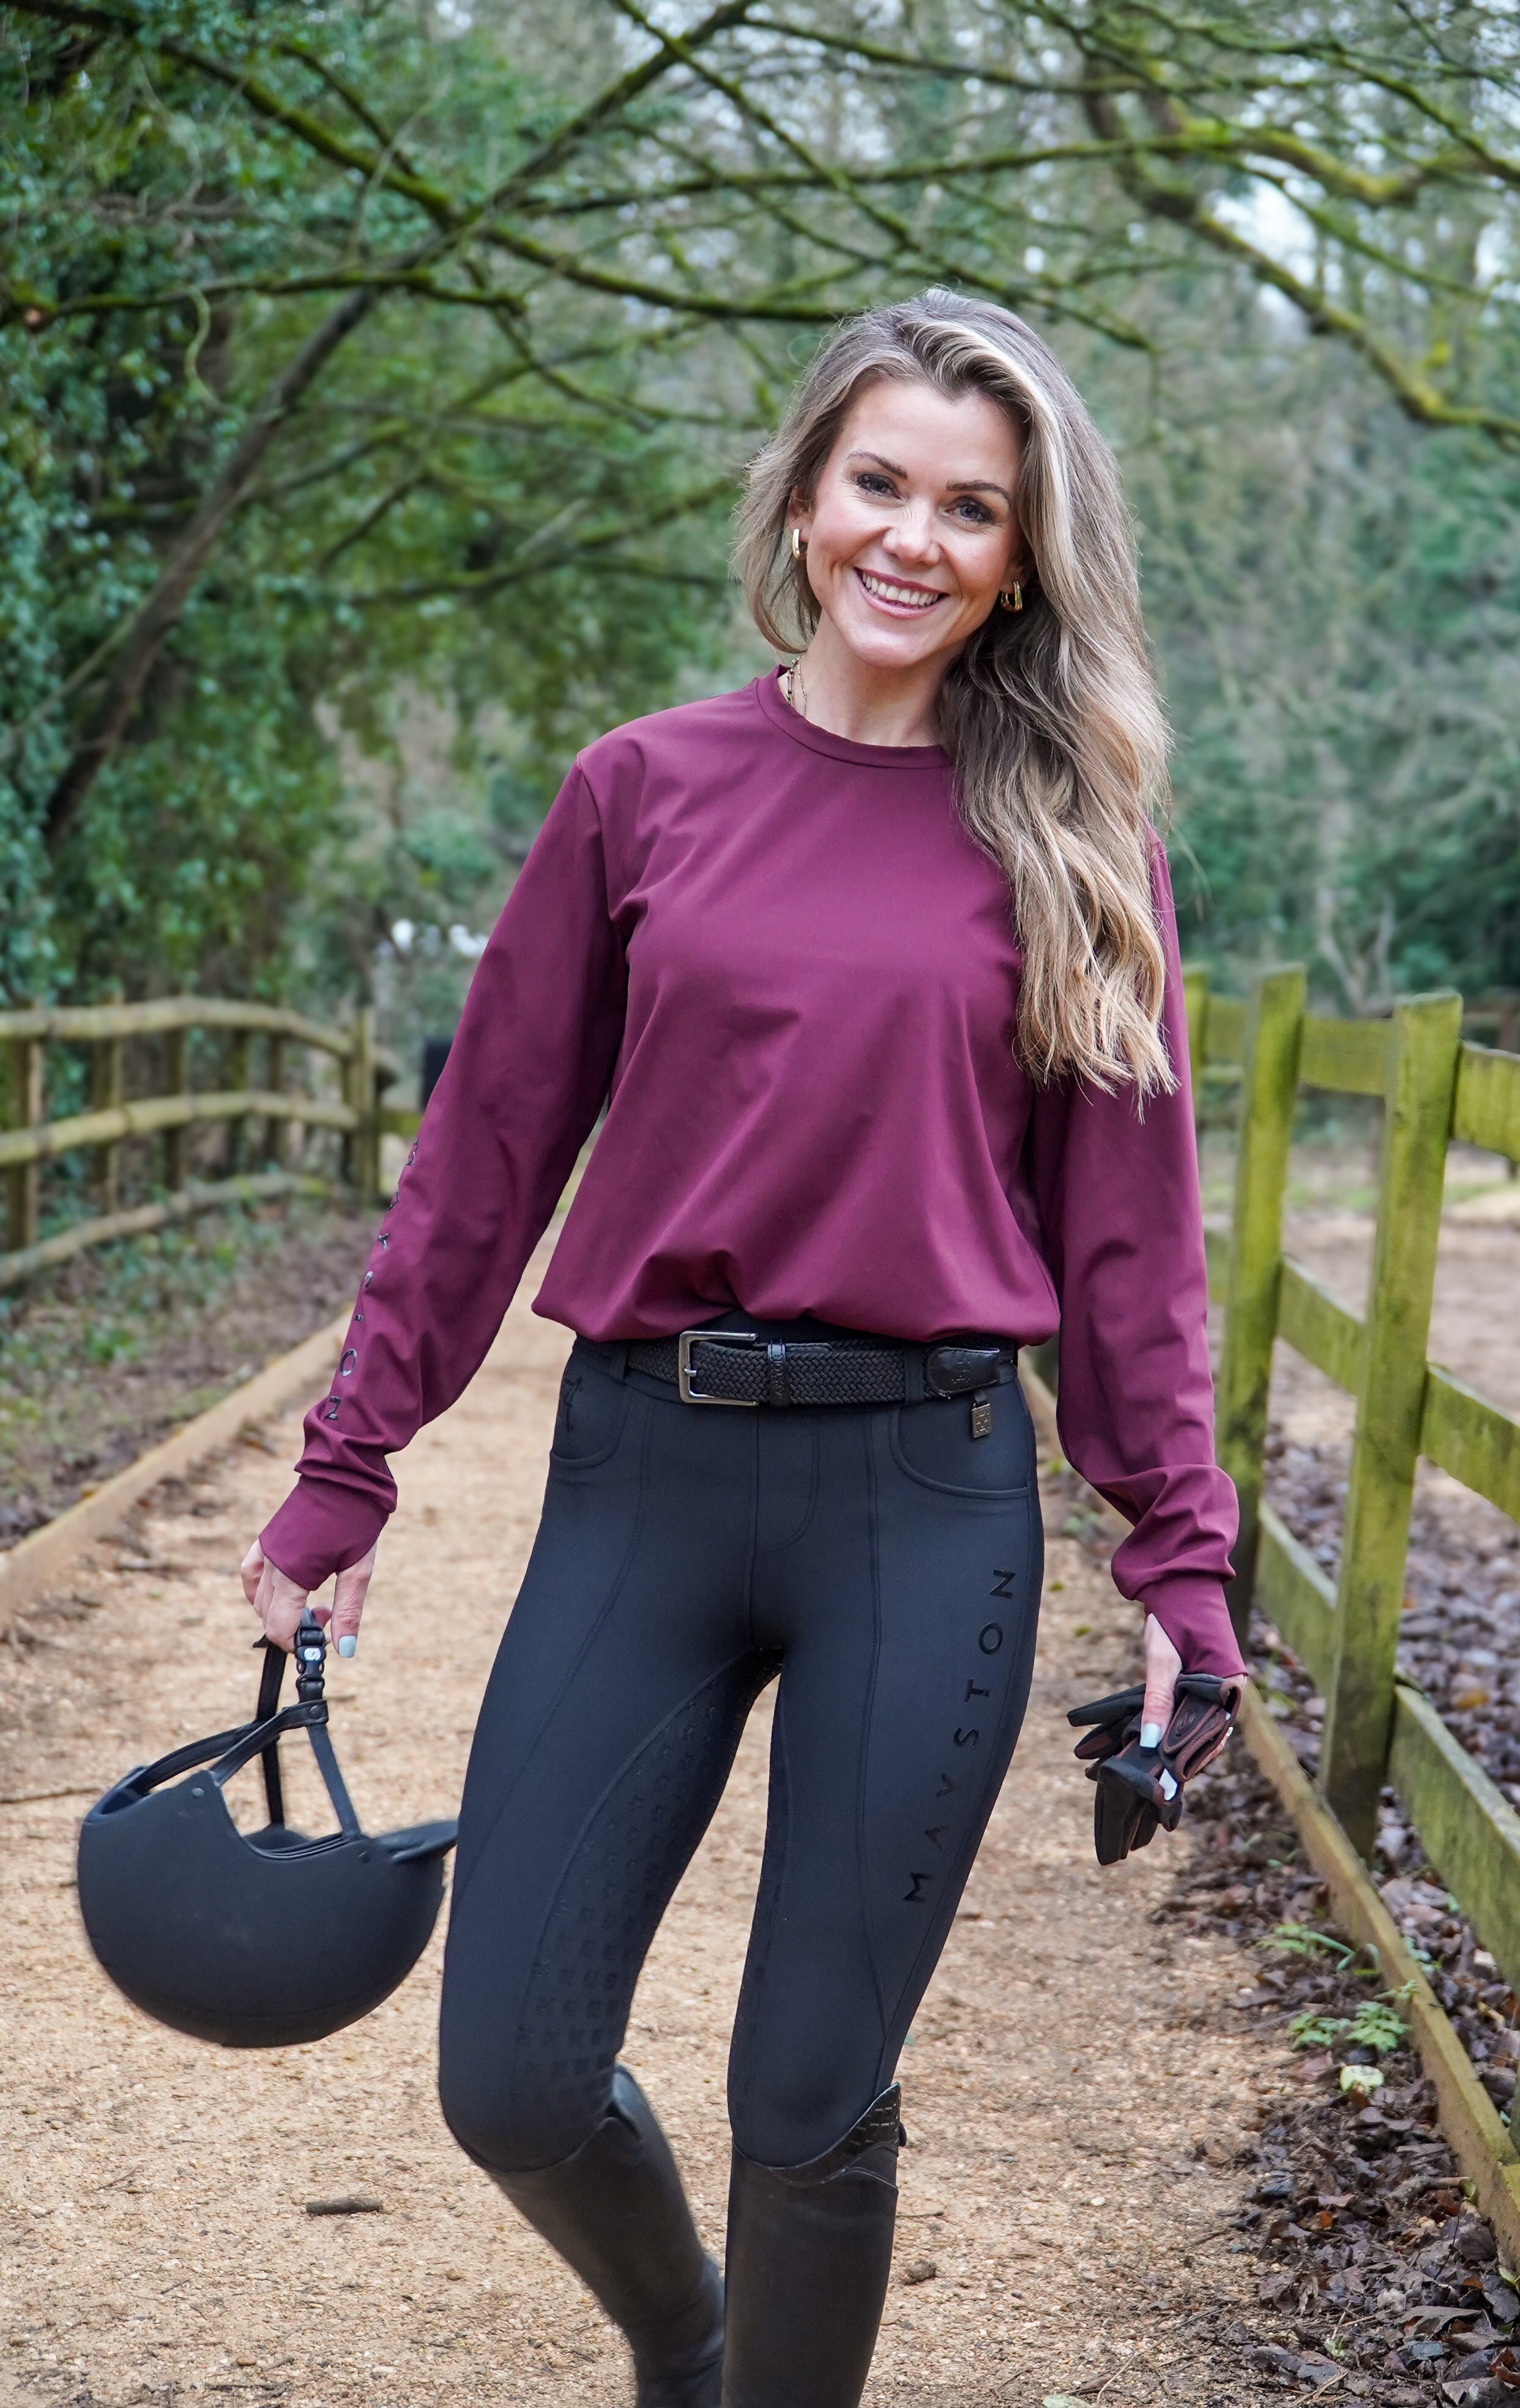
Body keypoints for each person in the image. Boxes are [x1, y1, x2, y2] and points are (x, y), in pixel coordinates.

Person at [241, 289, 1245, 2408]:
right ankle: (681, 2340)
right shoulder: (642, 791)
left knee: (811, 2095)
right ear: (802, 502)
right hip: (649, 1470)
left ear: (1020, 557)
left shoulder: (1079, 846)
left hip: (929, 1502)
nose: (917, 536)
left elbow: (1133, 1247)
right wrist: (353, 1461)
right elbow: (487, 1151)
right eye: (880, 482)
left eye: (974, 508)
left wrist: (1181, 1553)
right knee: (509, 2075)